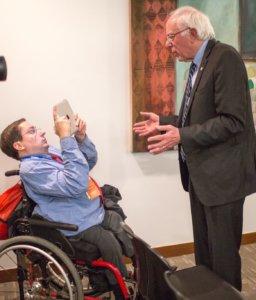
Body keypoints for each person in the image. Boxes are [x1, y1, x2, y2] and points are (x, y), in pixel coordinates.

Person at [133, 6, 256, 291]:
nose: (167, 44)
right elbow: (198, 120)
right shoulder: (198, 64)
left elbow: (233, 121)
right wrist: (165, 122)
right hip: (201, 178)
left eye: (171, 36)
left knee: (223, 261)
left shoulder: (225, 58)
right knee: (205, 258)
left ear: (193, 33)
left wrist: (180, 135)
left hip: (223, 180)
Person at [0, 107, 134, 299]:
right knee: (107, 241)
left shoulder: (49, 152)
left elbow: (85, 164)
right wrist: (66, 138)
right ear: (19, 146)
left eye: (37, 128)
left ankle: (134, 271)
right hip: (76, 223)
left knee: (118, 222)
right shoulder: (31, 169)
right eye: (32, 131)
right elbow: (77, 184)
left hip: (89, 211)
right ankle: (122, 290)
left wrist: (80, 138)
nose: (42, 132)